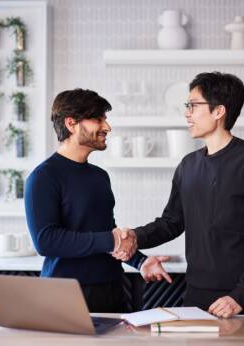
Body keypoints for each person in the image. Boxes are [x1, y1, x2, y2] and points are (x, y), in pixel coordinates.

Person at [113, 72, 244, 318]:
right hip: (195, 294)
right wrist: (135, 236)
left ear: (219, 111)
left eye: (193, 106)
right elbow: (171, 223)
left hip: (240, 299)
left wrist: (240, 296)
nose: (187, 113)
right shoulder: (188, 165)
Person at [24, 88, 171, 313]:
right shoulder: (43, 177)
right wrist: (113, 241)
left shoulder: (99, 176)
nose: (107, 127)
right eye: (98, 119)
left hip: (112, 289)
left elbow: (104, 233)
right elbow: (46, 241)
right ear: (71, 123)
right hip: (64, 293)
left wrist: (140, 261)